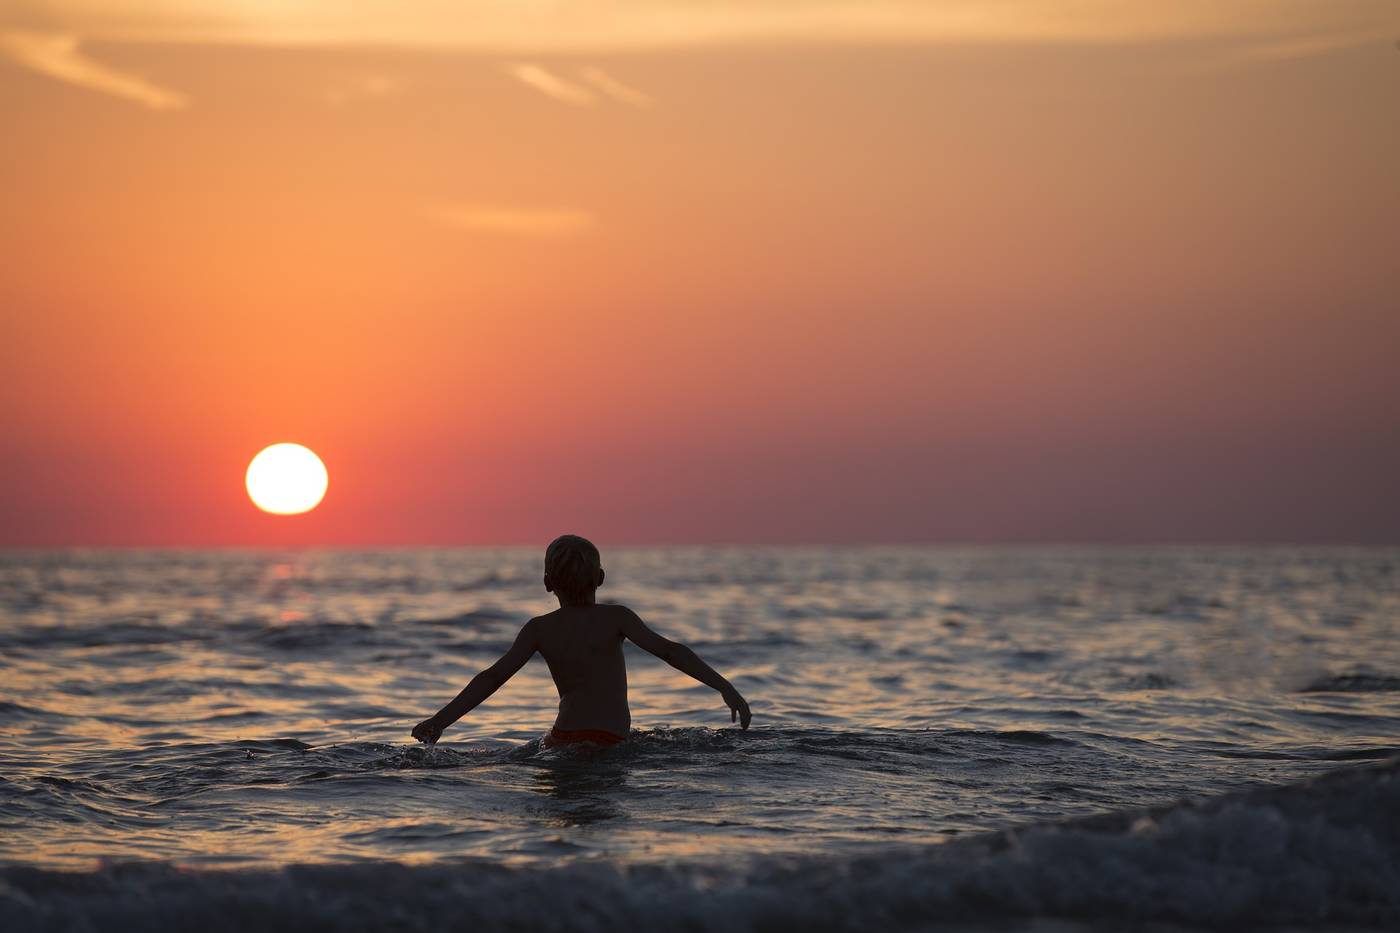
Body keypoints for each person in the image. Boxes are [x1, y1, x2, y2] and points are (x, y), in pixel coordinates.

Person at [412, 534, 751, 748]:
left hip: (562, 738)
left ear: (547, 583)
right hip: (611, 739)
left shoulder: (538, 628)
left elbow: (493, 677)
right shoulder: (617, 617)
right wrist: (724, 687)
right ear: (600, 578)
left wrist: (439, 722)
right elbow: (670, 652)